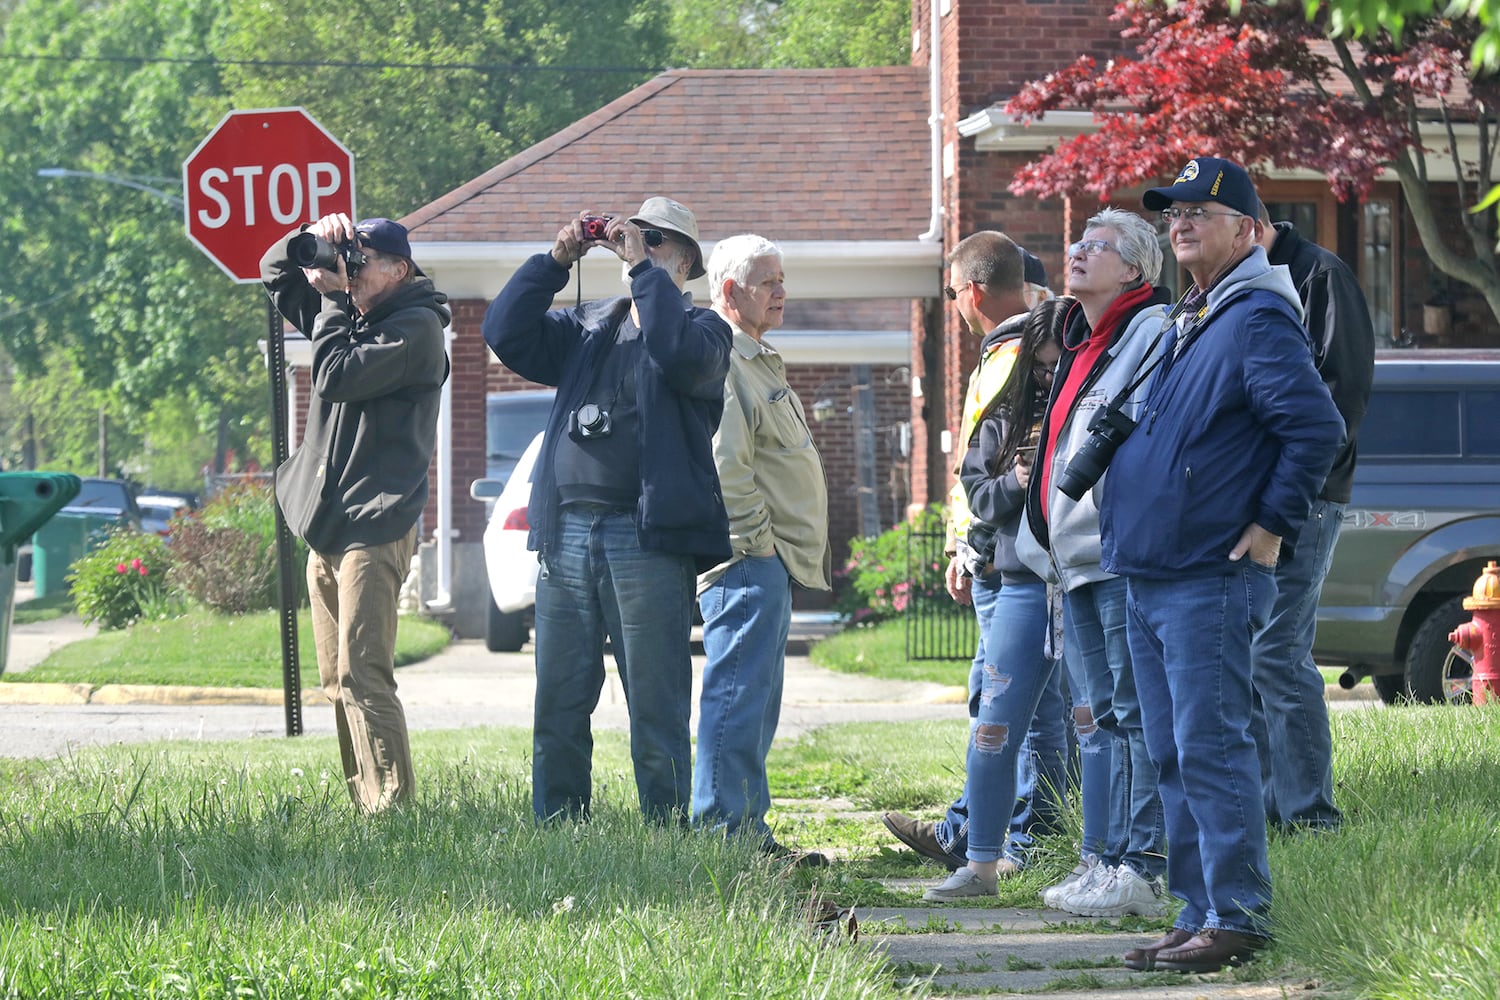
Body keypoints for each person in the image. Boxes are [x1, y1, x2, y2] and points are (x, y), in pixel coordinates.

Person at [1102, 158, 1344, 973]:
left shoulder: (1256, 317)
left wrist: (1274, 525)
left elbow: (1315, 429)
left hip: (1209, 573)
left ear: (1247, 229)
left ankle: (1238, 917)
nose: (1182, 224)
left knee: (1212, 746)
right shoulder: (1192, 315)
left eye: (1202, 211)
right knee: (1171, 752)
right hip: (1152, 570)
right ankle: (1197, 909)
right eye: (1174, 214)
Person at [481, 198, 732, 825]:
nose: (638, 247)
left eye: (655, 242)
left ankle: (667, 830)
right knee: (560, 697)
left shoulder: (705, 331)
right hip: (565, 533)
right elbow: (503, 333)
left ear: (684, 262)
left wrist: (642, 271)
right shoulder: (588, 325)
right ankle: (560, 827)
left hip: (645, 539)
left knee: (656, 698)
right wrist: (556, 261)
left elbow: (673, 352)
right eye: (633, 237)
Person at [881, 232, 1068, 874]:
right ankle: (979, 830)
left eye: (955, 292)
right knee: (1010, 703)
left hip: (1010, 556)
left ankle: (1017, 839)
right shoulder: (1017, 349)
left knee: (1019, 708)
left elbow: (1002, 468)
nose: (955, 304)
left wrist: (972, 544)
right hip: (1001, 551)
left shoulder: (1014, 355)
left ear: (974, 291)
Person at [261, 214, 451, 814]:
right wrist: (310, 232)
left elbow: (337, 374)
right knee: (334, 678)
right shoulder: (350, 314)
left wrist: (337, 298)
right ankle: (362, 801)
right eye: (352, 257)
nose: (353, 268)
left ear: (400, 269)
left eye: (365, 260)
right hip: (328, 521)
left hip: (376, 521)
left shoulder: (418, 328)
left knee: (363, 672)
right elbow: (272, 269)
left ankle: (393, 808)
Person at [1019, 208, 1172, 918]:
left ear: (1135, 269)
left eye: (1097, 246)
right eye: (1076, 242)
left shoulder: (1149, 331)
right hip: (1073, 557)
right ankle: (1104, 859)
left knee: (1132, 714)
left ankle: (1144, 866)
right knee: (1103, 718)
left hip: (1115, 555)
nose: (1077, 252)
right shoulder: (1082, 339)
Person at [922, 299, 1068, 900]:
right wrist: (1018, 480)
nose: (1048, 377)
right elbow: (977, 490)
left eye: (1058, 365)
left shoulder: (1096, 403)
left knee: (1093, 723)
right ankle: (979, 864)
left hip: (1092, 580)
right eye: (1039, 367)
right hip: (1021, 580)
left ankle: (1097, 857)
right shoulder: (1006, 415)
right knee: (994, 724)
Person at [693, 234, 832, 860]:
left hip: (765, 562)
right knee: (737, 699)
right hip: (747, 561)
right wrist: (757, 546)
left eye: (782, 278)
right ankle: (725, 836)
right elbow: (727, 465)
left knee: (756, 700)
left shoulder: (758, 358)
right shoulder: (724, 359)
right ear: (730, 291)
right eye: (768, 281)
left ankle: (746, 828)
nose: (782, 291)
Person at [1250, 204, 1375, 832]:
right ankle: (1271, 812)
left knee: (1277, 652)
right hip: (1251, 502)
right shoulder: (1234, 288)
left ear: (1248, 224)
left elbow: (1339, 399)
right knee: (1252, 655)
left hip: (1306, 495)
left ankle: (1310, 816)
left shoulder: (1319, 277)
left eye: (1201, 216)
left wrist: (1288, 489)